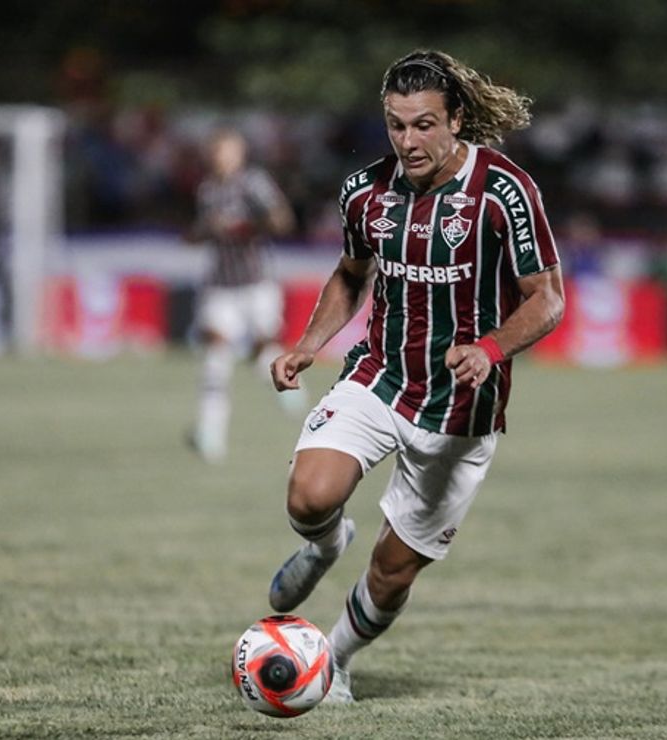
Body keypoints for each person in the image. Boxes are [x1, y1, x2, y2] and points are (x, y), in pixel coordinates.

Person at [266, 49, 564, 703]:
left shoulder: (504, 191)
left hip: (461, 409)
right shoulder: (366, 192)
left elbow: (547, 297)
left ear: (456, 119)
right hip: (382, 375)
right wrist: (309, 345)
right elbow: (351, 275)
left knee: (394, 569)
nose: (408, 140)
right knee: (308, 497)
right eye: (397, 125)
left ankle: (334, 661)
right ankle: (322, 546)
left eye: (424, 125)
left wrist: (490, 347)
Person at [187, 127, 301, 463]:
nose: (220, 157)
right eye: (216, 150)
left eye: (227, 150)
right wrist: (205, 231)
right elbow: (199, 231)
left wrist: (251, 224)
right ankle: (210, 434)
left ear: (239, 153)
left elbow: (283, 221)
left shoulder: (253, 183)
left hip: (255, 283)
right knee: (215, 357)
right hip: (220, 286)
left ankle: (291, 391)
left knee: (261, 353)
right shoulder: (206, 190)